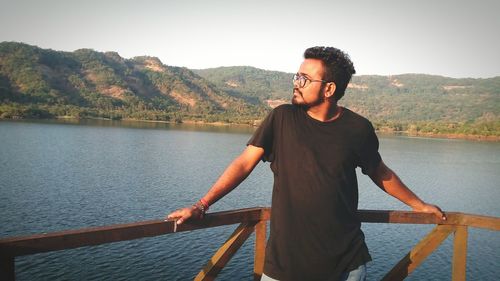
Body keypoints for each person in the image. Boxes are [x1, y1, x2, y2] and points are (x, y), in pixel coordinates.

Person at [166, 46, 446, 281]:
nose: (295, 83)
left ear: (329, 89)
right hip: (284, 267)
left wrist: (418, 205)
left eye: (304, 79)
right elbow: (243, 164)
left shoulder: (358, 128)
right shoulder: (282, 118)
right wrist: (201, 206)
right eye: (296, 76)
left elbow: (380, 172)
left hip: (344, 266)